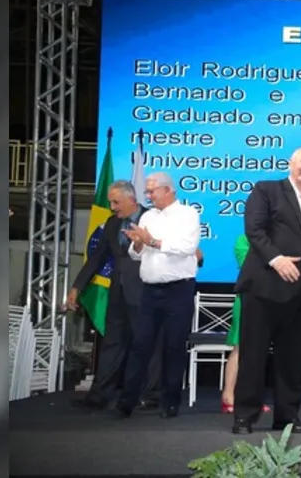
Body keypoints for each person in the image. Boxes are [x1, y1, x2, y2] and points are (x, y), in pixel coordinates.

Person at [231, 147, 301, 435]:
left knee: (294, 359)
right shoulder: (267, 190)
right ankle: (244, 417)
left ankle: (286, 417)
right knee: (254, 354)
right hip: (264, 287)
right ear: (291, 164)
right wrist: (276, 260)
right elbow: (254, 229)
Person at [66, 180, 160, 410]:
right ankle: (98, 397)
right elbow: (96, 259)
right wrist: (76, 288)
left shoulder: (153, 219)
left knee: (149, 344)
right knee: (112, 343)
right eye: (110, 202)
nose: (112, 207)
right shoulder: (110, 223)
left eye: (116, 202)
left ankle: (151, 396)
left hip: (145, 291)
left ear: (131, 200)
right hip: (117, 292)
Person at [116, 172, 201, 419]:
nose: (148, 196)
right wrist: (139, 244)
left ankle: (170, 402)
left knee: (174, 347)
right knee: (139, 345)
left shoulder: (188, 214)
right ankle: (127, 401)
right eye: (148, 192)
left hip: (179, 289)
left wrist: (151, 241)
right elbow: (135, 253)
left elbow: (186, 248)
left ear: (168, 190)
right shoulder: (148, 216)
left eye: (152, 191)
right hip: (150, 290)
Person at [219, 234, 269, 414]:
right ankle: (228, 395)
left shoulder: (277, 238)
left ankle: (253, 398)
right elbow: (249, 266)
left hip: (271, 299)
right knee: (240, 347)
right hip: (248, 298)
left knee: (259, 350)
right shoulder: (243, 239)